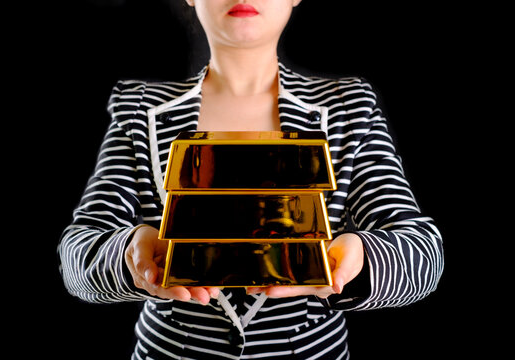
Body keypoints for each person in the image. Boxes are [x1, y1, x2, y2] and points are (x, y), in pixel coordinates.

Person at [58, 1, 444, 359]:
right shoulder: (137, 106)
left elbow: (423, 251)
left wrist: (357, 263)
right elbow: (77, 251)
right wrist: (128, 255)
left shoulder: (349, 106)